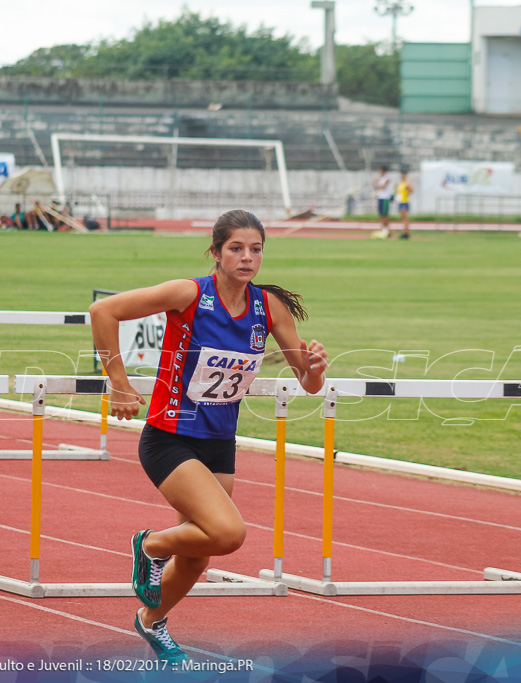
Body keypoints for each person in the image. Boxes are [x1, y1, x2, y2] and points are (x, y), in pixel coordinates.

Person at [89, 209, 329, 662]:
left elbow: (308, 383)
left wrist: (315, 368)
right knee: (228, 533)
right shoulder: (189, 294)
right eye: (236, 248)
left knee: (200, 552)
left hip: (219, 442)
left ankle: (151, 621)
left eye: (255, 249)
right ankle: (151, 544)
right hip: (170, 436)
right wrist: (117, 381)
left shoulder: (268, 307)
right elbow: (104, 310)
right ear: (216, 252)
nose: (247, 257)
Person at [373, 166, 394, 238]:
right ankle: (384, 230)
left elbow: (383, 187)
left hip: (385, 198)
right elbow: (377, 187)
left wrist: (377, 183)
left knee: (385, 215)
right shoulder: (380, 179)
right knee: (381, 215)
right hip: (380, 198)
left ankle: (387, 231)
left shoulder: (386, 178)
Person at [397, 170, 415, 240]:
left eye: (403, 174)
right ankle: (405, 232)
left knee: (405, 218)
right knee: (403, 217)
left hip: (404, 202)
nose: (402, 176)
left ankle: (406, 233)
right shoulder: (401, 183)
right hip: (401, 202)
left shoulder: (406, 183)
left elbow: (411, 189)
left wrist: (408, 192)